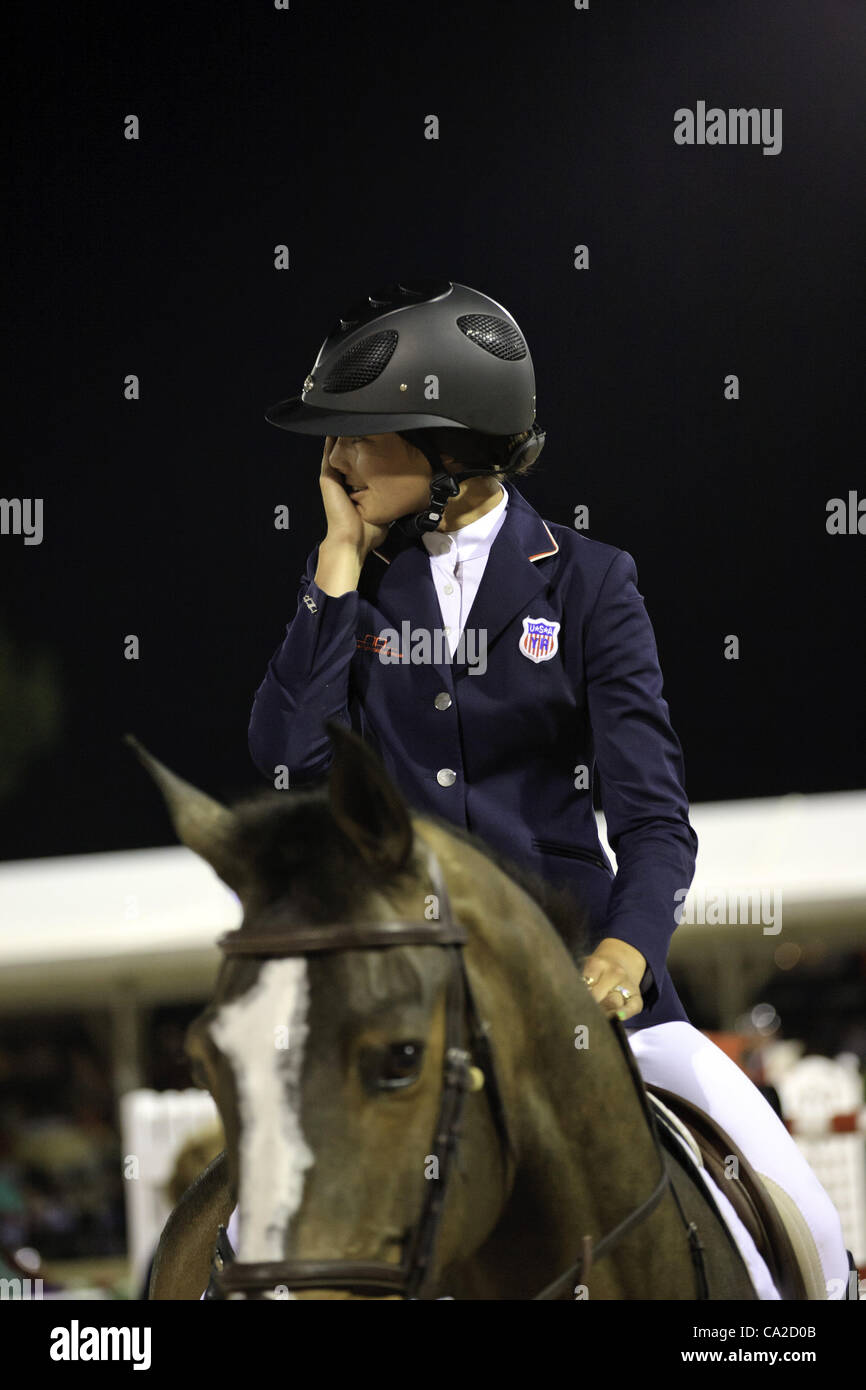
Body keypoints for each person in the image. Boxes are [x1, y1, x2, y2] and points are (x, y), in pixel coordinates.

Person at [248, 278, 853, 1299]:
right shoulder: (352, 594)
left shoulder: (587, 582)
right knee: (252, 1232)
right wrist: (334, 571)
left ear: (449, 444)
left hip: (588, 990)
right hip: (419, 1005)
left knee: (807, 1227)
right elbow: (286, 767)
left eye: (359, 435)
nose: (333, 460)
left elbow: (654, 821)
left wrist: (624, 951)